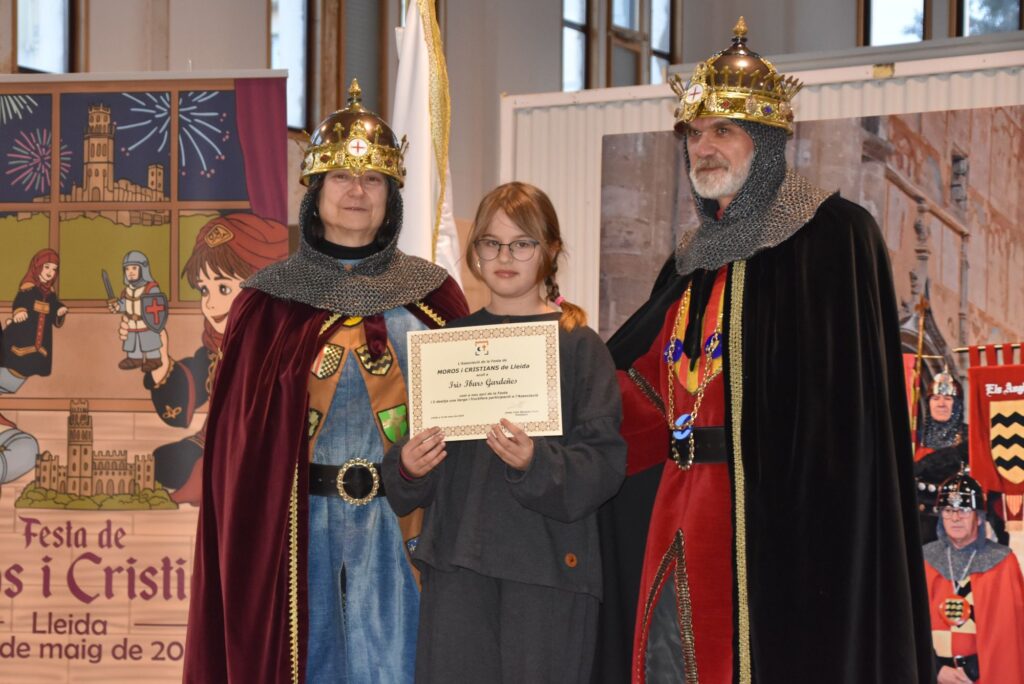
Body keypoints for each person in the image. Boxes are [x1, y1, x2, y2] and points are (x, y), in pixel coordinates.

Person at [595, 18, 933, 683]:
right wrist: (559, 399)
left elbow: (847, 430)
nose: (703, 147)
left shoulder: (833, 237)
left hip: (785, 527)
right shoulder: (690, 260)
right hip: (680, 508)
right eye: (694, 134)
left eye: (723, 130)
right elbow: (647, 387)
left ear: (768, 138)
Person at [183, 79, 468, 683]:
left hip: (404, 529)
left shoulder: (433, 297)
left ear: (392, 195)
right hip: (298, 530)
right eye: (341, 177)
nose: (357, 191)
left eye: (373, 180)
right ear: (315, 191)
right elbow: (241, 453)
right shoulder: (267, 303)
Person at [382, 181, 626, 682]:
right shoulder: (447, 345)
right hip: (457, 571)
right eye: (492, 243)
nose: (505, 256)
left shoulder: (579, 347)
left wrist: (536, 463)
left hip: (547, 574)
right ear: (475, 253)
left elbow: (604, 466)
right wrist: (408, 466)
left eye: (522, 243)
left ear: (550, 250)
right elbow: (413, 474)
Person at [130, 213, 289, 504]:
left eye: (224, 288)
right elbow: (191, 384)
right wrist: (162, 363)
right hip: (217, 439)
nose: (210, 304)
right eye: (204, 289)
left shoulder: (286, 345)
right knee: (165, 462)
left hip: (265, 446)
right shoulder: (217, 345)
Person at [923, 471, 1024, 683]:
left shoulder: (1002, 562)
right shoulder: (926, 559)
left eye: (964, 510)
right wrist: (935, 669)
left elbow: (1009, 633)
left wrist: (972, 670)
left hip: (982, 676)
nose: (955, 518)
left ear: (978, 517)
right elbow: (909, 625)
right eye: (948, 510)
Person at [0, 248, 67, 394]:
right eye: (47, 267)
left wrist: (59, 310)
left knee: (28, 368)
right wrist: (20, 311)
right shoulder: (28, 289)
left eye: (54, 269)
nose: (50, 272)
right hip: (22, 338)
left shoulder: (50, 294)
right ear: (37, 267)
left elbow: (54, 307)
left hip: (39, 343)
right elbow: (20, 302)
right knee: (14, 369)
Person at [108, 250, 164, 372]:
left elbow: (156, 306)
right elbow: (125, 304)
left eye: (134, 268)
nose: (130, 272)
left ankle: (153, 359)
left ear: (143, 269)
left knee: (149, 342)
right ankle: (134, 359)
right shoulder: (127, 290)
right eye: (127, 269)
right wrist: (117, 306)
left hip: (146, 323)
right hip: (131, 324)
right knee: (133, 343)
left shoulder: (151, 289)